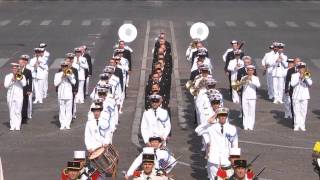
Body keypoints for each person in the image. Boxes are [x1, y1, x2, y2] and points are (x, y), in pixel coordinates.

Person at [196, 107, 238, 180]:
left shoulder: (232, 128)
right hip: (214, 160)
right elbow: (198, 131)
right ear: (218, 116)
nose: (223, 117)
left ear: (227, 116)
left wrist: (235, 158)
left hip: (226, 160)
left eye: (224, 115)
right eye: (221, 115)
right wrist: (208, 121)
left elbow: (235, 144)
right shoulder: (211, 127)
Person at [54, 61, 77, 130]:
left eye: (66, 66)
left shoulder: (71, 73)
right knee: (61, 109)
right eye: (63, 66)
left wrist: (69, 76)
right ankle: (62, 123)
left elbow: (74, 82)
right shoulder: (57, 74)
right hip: (61, 94)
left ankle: (67, 124)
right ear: (61, 67)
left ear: (67, 67)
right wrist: (62, 77)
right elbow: (55, 84)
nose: (64, 68)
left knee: (69, 109)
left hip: (69, 94)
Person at [4, 63, 27, 131]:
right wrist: (12, 80)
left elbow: (24, 84)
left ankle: (17, 125)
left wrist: (19, 78)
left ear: (18, 69)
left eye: (16, 68)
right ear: (12, 69)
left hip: (19, 96)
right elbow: (6, 85)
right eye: (13, 68)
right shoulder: (8, 76)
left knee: (18, 110)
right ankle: (12, 125)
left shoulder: (21, 75)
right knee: (11, 110)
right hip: (10, 95)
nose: (14, 69)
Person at [291, 62, 312, 131]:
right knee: (296, 111)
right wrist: (299, 78)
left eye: (303, 67)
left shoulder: (307, 74)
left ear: (305, 68)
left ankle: (302, 125)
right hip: (296, 96)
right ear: (298, 68)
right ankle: (296, 125)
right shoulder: (294, 75)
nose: (301, 69)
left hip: (305, 96)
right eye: (300, 68)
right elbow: (292, 84)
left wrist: (305, 77)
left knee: (303, 111)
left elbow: (310, 84)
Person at [241, 65, 260, 130]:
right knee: (245, 111)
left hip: (252, 97)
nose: (250, 72)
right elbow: (241, 85)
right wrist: (245, 81)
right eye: (249, 70)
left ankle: (251, 125)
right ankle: (245, 125)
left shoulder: (256, 78)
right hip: (244, 96)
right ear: (247, 71)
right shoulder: (243, 77)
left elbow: (258, 85)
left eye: (251, 70)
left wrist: (251, 80)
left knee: (251, 112)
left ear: (253, 71)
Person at [19, 55, 33, 124]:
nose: (23, 62)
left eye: (25, 61)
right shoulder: (17, 70)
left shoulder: (28, 71)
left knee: (25, 103)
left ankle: (24, 118)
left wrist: (29, 89)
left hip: (25, 89)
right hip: (18, 88)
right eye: (22, 61)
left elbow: (30, 81)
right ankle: (18, 117)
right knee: (18, 103)